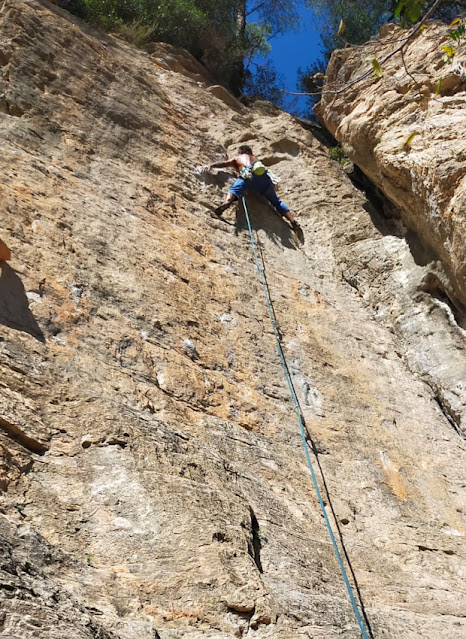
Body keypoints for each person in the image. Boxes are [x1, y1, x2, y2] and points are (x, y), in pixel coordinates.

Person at [207, 145, 301, 234]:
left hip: (248, 176)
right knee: (276, 202)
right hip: (264, 179)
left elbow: (224, 163)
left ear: (240, 152)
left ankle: (228, 201)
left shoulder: (239, 157)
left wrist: (211, 166)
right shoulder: (255, 159)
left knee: (234, 189)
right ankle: (292, 221)